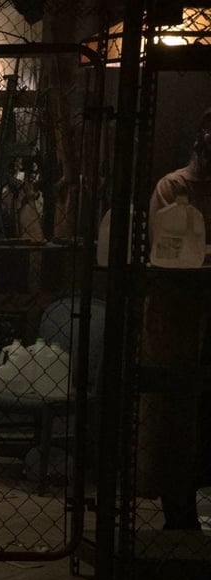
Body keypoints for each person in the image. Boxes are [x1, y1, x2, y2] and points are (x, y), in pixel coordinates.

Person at [142, 108, 211, 530]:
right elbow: (168, 248)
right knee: (176, 410)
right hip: (179, 313)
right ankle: (178, 510)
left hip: (199, 310)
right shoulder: (174, 187)